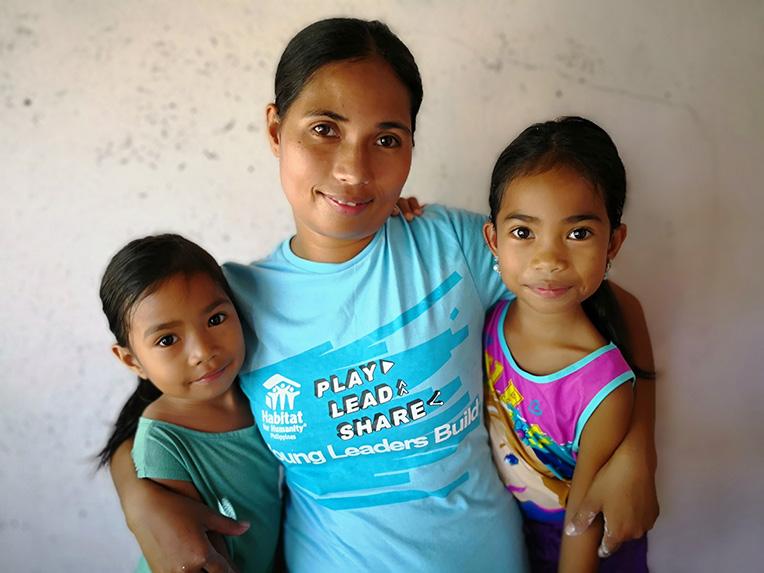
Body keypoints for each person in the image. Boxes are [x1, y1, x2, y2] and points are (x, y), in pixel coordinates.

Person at [108, 18, 658, 573]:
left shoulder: (453, 247)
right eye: (325, 129)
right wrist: (140, 501)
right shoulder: (233, 301)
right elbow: (166, 408)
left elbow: (613, 305)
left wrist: (637, 452)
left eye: (387, 139)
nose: (354, 169)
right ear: (276, 129)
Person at [482, 116, 651, 572]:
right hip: (510, 539)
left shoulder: (604, 386)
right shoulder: (488, 318)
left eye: (578, 233)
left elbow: (585, 521)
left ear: (613, 243)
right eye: (524, 232)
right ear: (493, 239)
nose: (549, 259)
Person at [97, 234, 282, 572]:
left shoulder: (259, 390)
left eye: (215, 320)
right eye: (167, 340)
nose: (203, 352)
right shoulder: (163, 440)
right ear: (131, 361)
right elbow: (193, 553)